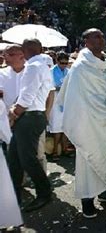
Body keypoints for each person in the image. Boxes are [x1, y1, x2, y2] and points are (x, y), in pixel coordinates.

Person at [58, 29, 106, 218]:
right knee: (89, 159)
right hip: (89, 121)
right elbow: (78, 98)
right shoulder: (81, 67)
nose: (101, 39)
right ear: (86, 41)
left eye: (102, 36)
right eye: (96, 36)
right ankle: (87, 200)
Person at [7, 39, 53, 212]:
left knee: (27, 159)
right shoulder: (43, 65)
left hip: (30, 116)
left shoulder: (33, 67)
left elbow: (27, 96)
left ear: (25, 50)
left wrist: (15, 112)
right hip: (33, 116)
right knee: (15, 158)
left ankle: (44, 193)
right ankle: (13, 192)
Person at [48, 52, 70, 161]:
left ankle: (65, 149)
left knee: (66, 127)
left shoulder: (69, 72)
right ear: (57, 61)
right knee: (56, 128)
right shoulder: (51, 72)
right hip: (55, 102)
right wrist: (60, 88)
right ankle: (55, 151)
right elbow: (50, 88)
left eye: (66, 63)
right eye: (62, 63)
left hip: (66, 102)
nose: (64, 65)